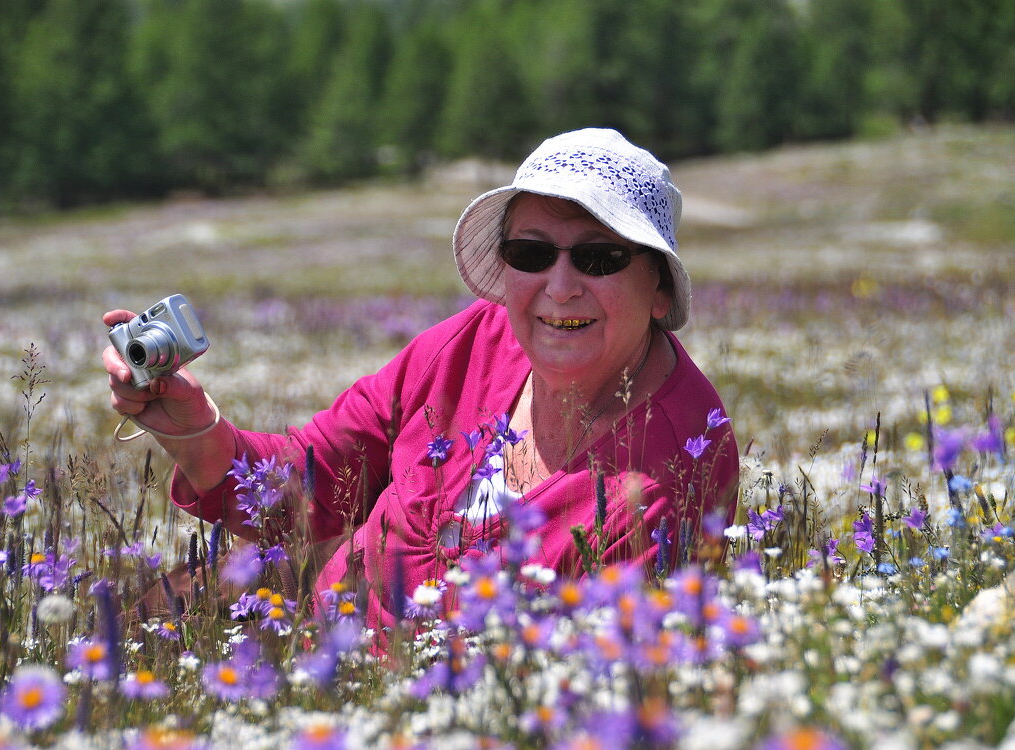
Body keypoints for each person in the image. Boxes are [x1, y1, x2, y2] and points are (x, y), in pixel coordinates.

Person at [103, 128, 738, 629]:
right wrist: (196, 431)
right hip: (321, 672)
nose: (561, 286)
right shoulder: (472, 344)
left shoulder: (677, 465)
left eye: (601, 257)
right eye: (532, 253)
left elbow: (593, 685)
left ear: (659, 288)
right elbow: (314, 477)